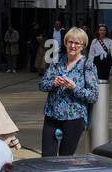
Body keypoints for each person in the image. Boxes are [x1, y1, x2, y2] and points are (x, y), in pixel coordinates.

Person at [39, 26, 98, 157]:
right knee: (47, 157)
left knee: (65, 157)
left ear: (83, 46)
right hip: (52, 114)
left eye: (77, 43)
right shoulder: (56, 61)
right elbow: (42, 85)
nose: (73, 46)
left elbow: (93, 96)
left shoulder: (87, 65)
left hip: (74, 117)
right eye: (70, 42)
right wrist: (53, 83)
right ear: (65, 43)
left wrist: (74, 88)